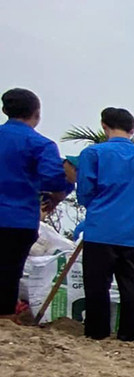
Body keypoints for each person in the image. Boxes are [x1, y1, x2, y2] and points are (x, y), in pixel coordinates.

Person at [74, 107, 134, 344]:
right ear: (133, 129)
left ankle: (97, 333)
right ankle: (131, 334)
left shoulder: (93, 154)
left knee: (97, 285)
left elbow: (85, 192)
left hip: (101, 230)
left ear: (104, 126)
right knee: (132, 285)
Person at [0, 88, 71, 319]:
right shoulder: (40, 144)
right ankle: (4, 317)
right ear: (36, 114)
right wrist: (58, 195)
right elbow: (53, 178)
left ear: (5, 111)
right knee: (10, 271)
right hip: (18, 218)